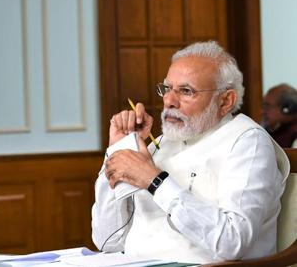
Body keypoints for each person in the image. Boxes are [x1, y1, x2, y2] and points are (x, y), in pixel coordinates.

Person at [91, 41, 290, 264]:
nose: (169, 101)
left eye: (186, 91)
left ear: (225, 101)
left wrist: (154, 180)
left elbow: (232, 243)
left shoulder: (248, 142)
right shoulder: (163, 142)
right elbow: (108, 241)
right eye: (167, 89)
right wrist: (119, 149)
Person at [262, 83, 297, 148]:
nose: (263, 111)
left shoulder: (293, 136)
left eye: (267, 106)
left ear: (286, 108)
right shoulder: (276, 131)